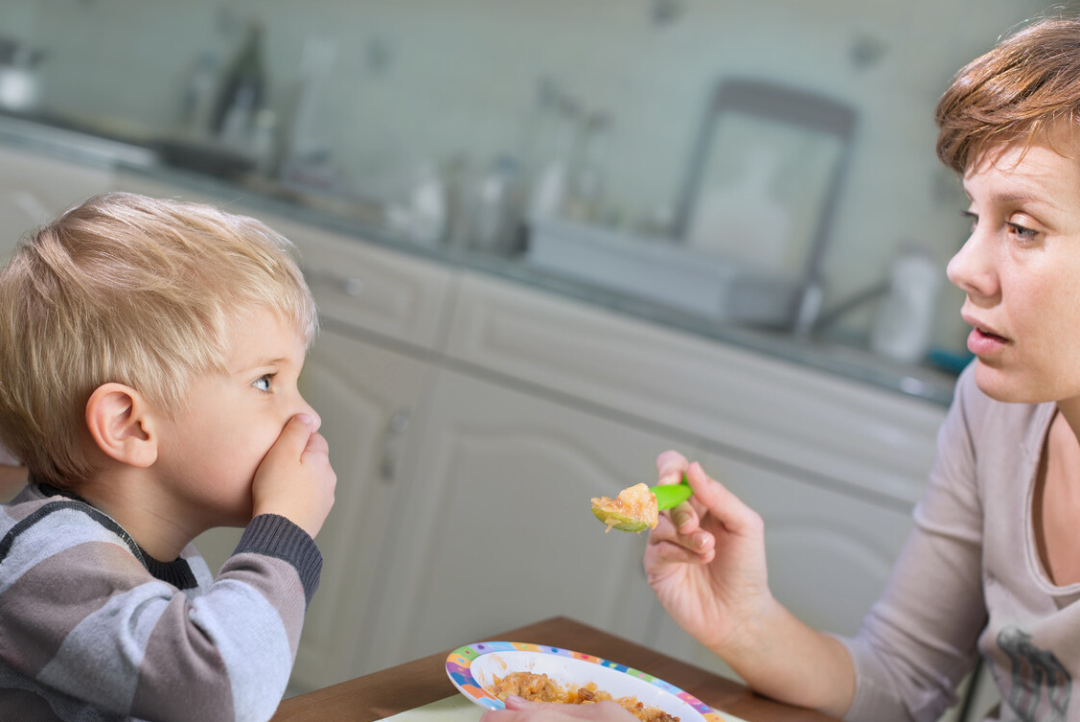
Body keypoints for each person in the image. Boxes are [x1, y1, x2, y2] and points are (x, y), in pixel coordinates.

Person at [482, 15, 1080, 722]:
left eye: (1022, 228)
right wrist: (745, 622)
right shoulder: (993, 412)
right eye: (974, 218)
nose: (961, 266)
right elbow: (902, 679)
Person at [0, 193, 337, 722]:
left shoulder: (164, 557)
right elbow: (220, 690)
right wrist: (284, 531)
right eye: (266, 381)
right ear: (129, 426)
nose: (307, 416)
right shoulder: (47, 563)